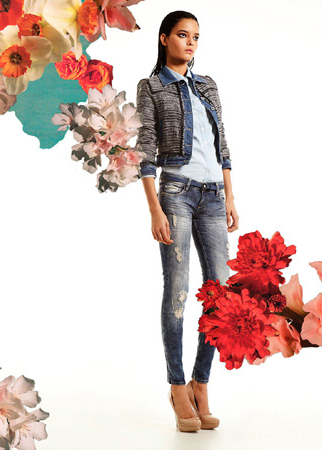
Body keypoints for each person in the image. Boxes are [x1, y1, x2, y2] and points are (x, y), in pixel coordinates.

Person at [136, 10, 239, 432]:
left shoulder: (207, 85)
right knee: (177, 291)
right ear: (164, 39)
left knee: (221, 294)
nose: (191, 42)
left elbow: (222, 144)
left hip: (214, 196)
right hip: (175, 194)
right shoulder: (152, 87)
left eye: (196, 36)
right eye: (182, 34)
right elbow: (145, 148)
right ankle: (178, 387)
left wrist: (230, 196)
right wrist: (154, 208)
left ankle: (201, 383)